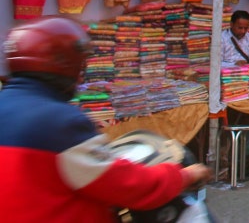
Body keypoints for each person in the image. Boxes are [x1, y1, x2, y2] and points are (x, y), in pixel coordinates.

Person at [0, 17, 211, 222]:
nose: (81, 76)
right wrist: (183, 176)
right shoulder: (61, 122)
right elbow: (127, 185)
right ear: (66, 64)